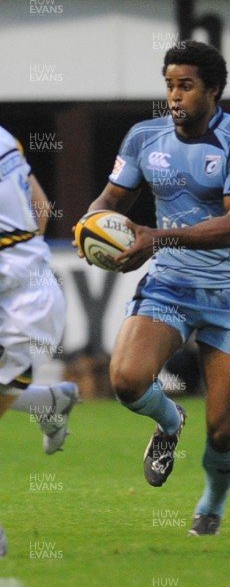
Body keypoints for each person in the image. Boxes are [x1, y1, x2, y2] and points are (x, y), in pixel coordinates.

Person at [78, 40, 230, 535]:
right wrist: (91, 228)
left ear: (214, 90)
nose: (175, 97)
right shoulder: (144, 138)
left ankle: (212, 505)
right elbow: (110, 199)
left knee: (223, 433)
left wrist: (154, 236)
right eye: (169, 86)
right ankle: (169, 422)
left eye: (186, 86)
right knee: (126, 381)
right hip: (170, 282)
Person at [0, 126, 80, 556]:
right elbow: (41, 206)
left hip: (21, 307)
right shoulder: (4, 138)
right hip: (29, 289)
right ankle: (50, 401)